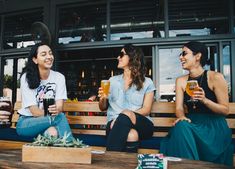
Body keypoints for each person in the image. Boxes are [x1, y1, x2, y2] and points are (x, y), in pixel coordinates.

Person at [160, 41, 233, 166]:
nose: (180, 57)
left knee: (181, 129)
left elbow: (225, 110)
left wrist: (205, 100)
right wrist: (182, 116)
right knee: (181, 126)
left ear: (197, 56)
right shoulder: (181, 81)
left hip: (213, 126)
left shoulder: (215, 77)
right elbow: (178, 108)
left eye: (184, 53)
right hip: (191, 123)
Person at [99, 44, 155, 152]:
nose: (118, 57)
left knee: (126, 114)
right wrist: (103, 98)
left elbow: (146, 110)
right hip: (114, 125)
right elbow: (102, 107)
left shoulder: (147, 82)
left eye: (121, 54)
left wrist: (124, 116)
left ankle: (109, 161)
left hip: (140, 123)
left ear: (132, 57)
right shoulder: (112, 81)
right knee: (132, 135)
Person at [16, 43, 73, 141]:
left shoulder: (59, 77)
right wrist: (54, 114)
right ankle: (72, 146)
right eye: (43, 54)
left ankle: (57, 155)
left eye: (50, 53)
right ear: (35, 60)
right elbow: (34, 111)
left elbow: (59, 107)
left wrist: (56, 110)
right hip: (26, 123)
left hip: (48, 121)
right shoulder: (26, 77)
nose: (49, 57)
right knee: (60, 117)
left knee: (52, 133)